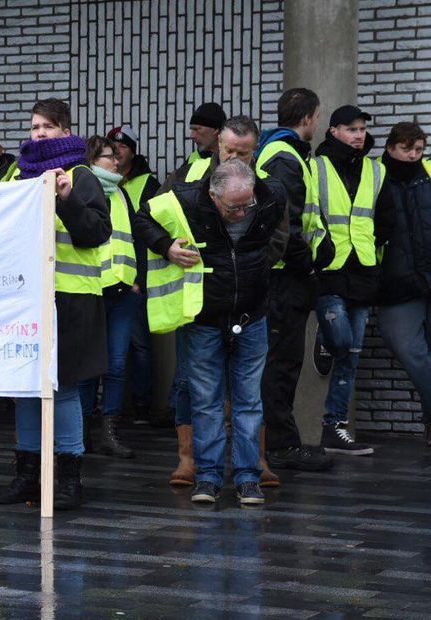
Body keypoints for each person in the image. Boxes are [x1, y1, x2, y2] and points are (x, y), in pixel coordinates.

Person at [134, 159, 287, 506]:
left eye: (248, 204)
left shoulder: (271, 195)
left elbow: (279, 232)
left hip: (252, 313)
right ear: (213, 195)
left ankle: (249, 478)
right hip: (204, 316)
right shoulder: (185, 197)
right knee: (206, 400)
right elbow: (142, 217)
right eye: (234, 207)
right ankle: (208, 477)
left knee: (249, 400)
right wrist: (166, 245)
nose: (242, 212)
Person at [0, 98, 111, 511]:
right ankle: (27, 475)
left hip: (72, 300)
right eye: (34, 127)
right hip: (26, 298)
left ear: (65, 130)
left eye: (47, 126)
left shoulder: (80, 175)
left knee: (64, 389)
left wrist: (65, 198)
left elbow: (96, 232)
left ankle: (69, 478)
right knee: (25, 388)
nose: (38, 134)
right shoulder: (18, 174)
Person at [257, 88, 334, 473]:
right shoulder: (285, 157)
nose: (317, 123)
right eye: (317, 117)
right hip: (286, 278)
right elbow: (286, 223)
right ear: (307, 118)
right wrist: (307, 265)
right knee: (282, 363)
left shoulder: (283, 153)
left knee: (282, 361)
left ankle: (277, 443)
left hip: (288, 276)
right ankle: (281, 446)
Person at [312, 105, 395, 456]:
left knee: (353, 355)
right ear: (334, 131)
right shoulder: (315, 167)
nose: (359, 135)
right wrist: (322, 247)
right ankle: (325, 338)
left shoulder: (376, 170)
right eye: (351, 129)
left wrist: (376, 246)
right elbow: (308, 213)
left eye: (362, 129)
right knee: (342, 341)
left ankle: (334, 426)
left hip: (363, 268)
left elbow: (386, 216)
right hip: (329, 267)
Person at [77, 136, 137, 459]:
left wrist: (137, 279)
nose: (116, 161)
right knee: (89, 367)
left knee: (116, 364)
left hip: (123, 292)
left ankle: (108, 432)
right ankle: (81, 430)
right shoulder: (83, 190)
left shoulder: (122, 193)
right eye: (108, 156)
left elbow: (134, 237)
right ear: (92, 160)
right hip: (91, 291)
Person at [377, 122, 431, 448]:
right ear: (391, 147)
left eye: (419, 150)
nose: (413, 156)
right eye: (406, 149)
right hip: (395, 284)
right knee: (412, 353)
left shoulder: (427, 177)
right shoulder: (376, 178)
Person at [108, 125, 160, 425]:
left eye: (122, 147)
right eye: (112, 149)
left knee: (139, 345)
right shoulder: (101, 182)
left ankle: (141, 406)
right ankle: (114, 410)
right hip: (108, 279)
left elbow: (146, 237)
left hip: (135, 280)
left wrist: (140, 278)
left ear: (132, 151)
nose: (117, 153)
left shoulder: (147, 184)